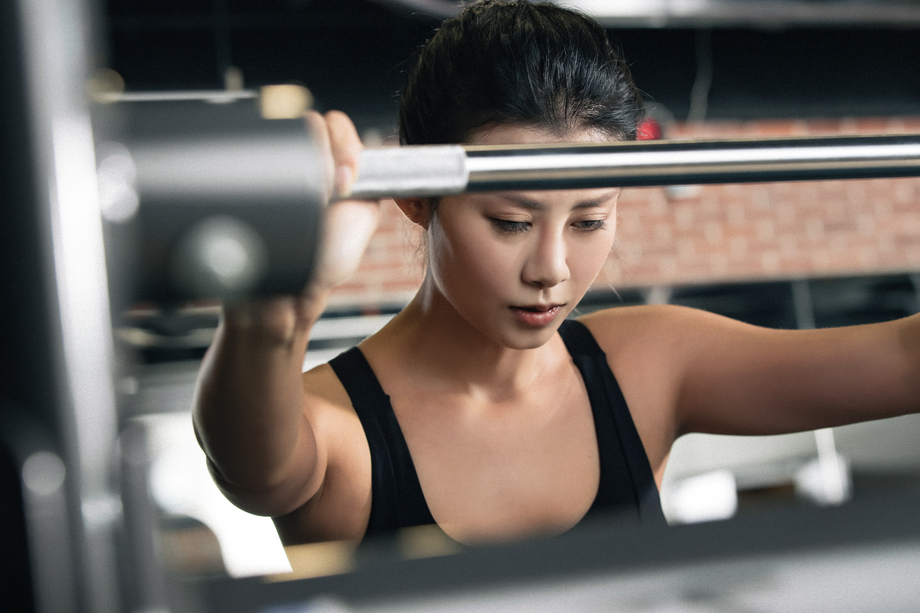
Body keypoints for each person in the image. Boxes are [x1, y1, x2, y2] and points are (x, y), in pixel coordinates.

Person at [193, 0, 920, 546]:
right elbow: (254, 470)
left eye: (589, 220)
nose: (553, 268)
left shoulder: (647, 366)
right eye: (511, 222)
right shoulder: (339, 426)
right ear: (416, 197)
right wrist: (272, 311)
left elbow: (904, 358)